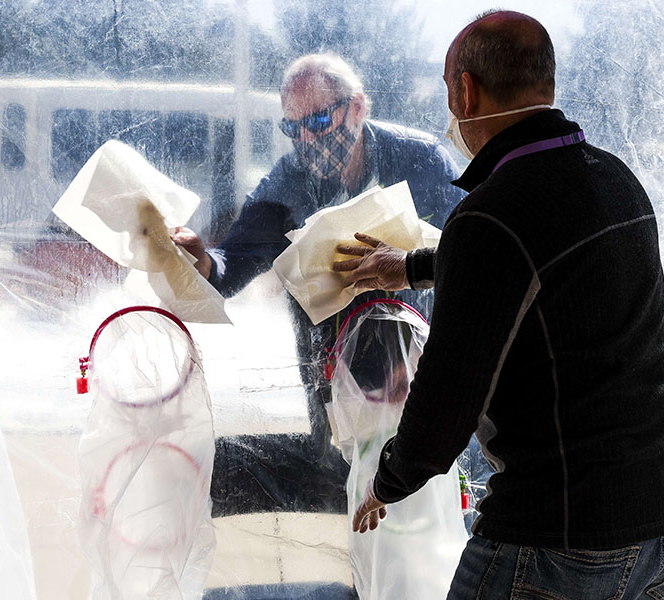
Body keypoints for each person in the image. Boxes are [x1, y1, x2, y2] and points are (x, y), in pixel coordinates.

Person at [345, 10, 664, 599]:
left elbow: (446, 405)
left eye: (447, 88)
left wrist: (387, 481)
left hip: (565, 537)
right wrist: (412, 266)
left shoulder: (492, 215)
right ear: (547, 82)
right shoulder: (614, 179)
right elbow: (543, 266)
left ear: (465, 90)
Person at [172, 53, 466, 517]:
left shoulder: (422, 162)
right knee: (355, 498)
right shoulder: (287, 183)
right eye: (293, 128)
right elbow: (233, 265)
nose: (307, 139)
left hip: (422, 375)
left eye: (319, 120)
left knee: (431, 510)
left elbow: (474, 263)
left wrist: (411, 270)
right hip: (333, 381)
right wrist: (202, 260)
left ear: (357, 108)